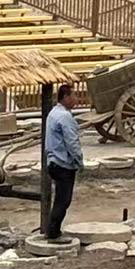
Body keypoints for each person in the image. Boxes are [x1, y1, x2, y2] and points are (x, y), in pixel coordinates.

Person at [43, 82, 84, 241]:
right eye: (73, 95)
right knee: (63, 200)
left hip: (53, 161)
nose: (76, 99)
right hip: (63, 163)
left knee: (60, 198)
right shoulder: (65, 116)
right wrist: (79, 161)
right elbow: (72, 142)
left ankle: (53, 230)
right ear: (65, 97)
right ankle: (53, 232)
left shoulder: (54, 113)